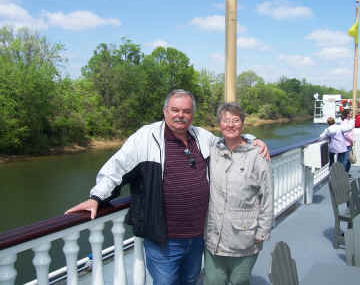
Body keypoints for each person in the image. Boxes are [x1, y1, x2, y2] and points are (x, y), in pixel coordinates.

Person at [65, 89, 269, 285]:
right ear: (165, 111)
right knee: (166, 282)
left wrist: (252, 140)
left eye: (187, 111)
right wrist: (97, 197)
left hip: (198, 235)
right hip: (164, 239)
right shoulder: (146, 138)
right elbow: (117, 167)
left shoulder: (201, 137)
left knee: (190, 280)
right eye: (175, 110)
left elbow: (229, 141)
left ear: (192, 115)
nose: (181, 115)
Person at [203, 103, 273, 285]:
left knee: (239, 281)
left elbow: (267, 196)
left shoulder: (257, 156)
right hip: (214, 237)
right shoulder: (213, 151)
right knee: (212, 281)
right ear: (219, 124)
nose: (231, 125)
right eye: (226, 121)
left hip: (244, 239)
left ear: (242, 123)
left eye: (236, 120)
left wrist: (262, 231)